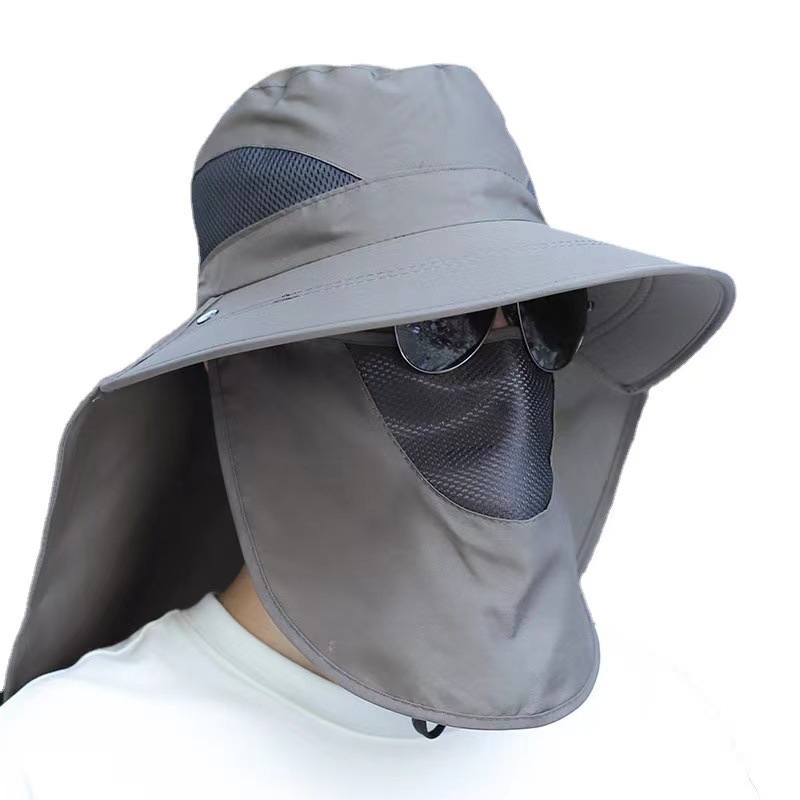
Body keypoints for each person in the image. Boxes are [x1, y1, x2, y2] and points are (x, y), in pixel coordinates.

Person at [0, 63, 755, 798]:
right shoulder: (62, 760)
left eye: (541, 319)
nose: (508, 379)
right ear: (254, 372)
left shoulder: (658, 734)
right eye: (437, 328)